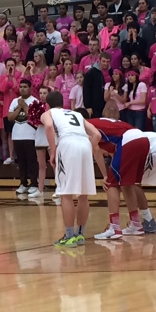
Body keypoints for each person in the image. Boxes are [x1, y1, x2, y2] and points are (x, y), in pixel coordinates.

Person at [41, 90, 103, 246]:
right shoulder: (76, 114)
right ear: (63, 103)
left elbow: (48, 126)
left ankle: (69, 236)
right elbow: (97, 135)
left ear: (47, 105)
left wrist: (53, 152)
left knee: (66, 193)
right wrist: (88, 150)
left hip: (67, 144)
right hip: (85, 144)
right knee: (83, 194)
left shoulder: (48, 113)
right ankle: (80, 235)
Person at [7, 77, 42, 199]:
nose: (22, 89)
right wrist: (19, 107)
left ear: (30, 88)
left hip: (30, 136)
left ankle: (34, 183)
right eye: (21, 87)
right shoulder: (14, 101)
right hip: (17, 135)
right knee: (21, 161)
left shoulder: (35, 101)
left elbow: (34, 117)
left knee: (31, 161)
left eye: (25, 87)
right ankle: (23, 183)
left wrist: (24, 105)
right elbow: (10, 117)